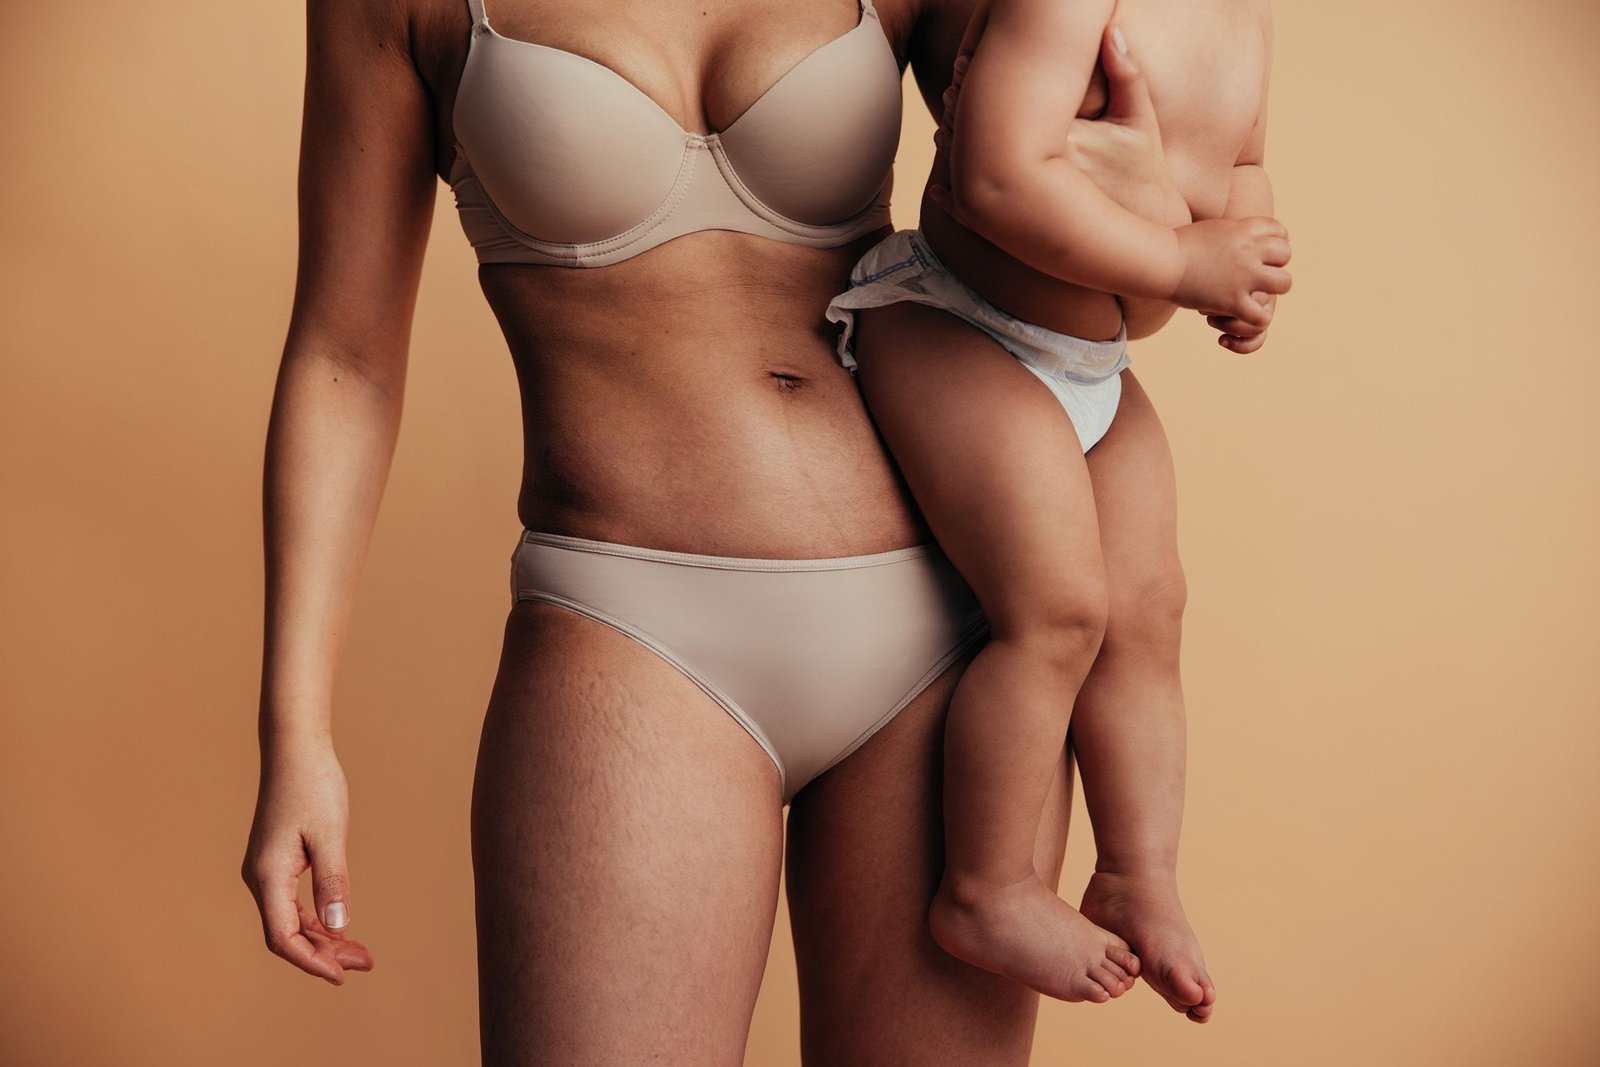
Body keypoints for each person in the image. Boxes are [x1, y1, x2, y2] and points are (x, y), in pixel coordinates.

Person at [239, 0, 1195, 1060]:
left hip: (947, 630)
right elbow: (345, 358)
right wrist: (297, 734)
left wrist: (1152, 207)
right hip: (638, 632)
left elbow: (1078, 275)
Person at [823, 0, 1289, 1024]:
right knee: (1061, 608)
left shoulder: (1246, 17)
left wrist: (1240, 259)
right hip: (957, 324)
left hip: (1093, 364)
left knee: (1147, 611)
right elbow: (996, 175)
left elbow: (1239, 160)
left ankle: (1134, 869)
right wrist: (1177, 264)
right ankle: (984, 885)